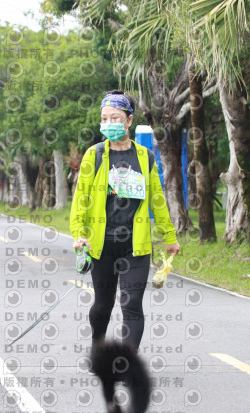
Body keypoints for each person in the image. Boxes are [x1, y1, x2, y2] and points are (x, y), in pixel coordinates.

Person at [70, 89, 180, 353]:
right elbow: (81, 199)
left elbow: (157, 199)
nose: (108, 124)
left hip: (135, 245)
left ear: (129, 121)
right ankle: (98, 347)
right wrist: (79, 233)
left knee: (131, 305)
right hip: (101, 245)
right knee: (103, 305)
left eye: (115, 118)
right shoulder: (94, 155)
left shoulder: (145, 157)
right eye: (104, 118)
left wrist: (170, 237)